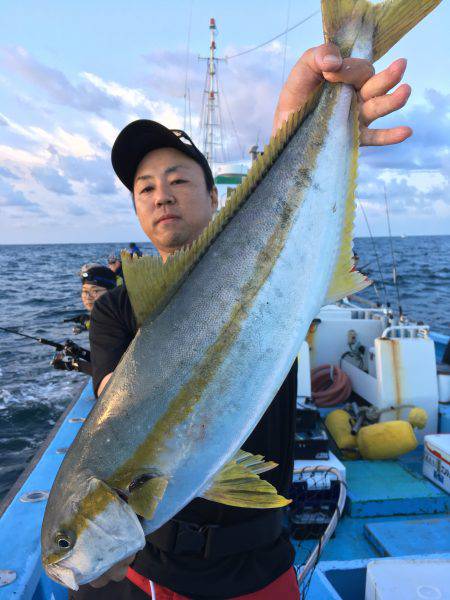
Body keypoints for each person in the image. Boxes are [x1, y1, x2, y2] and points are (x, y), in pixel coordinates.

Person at [74, 44, 412, 600]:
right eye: (145, 188)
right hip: (159, 567)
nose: (162, 195)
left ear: (215, 195)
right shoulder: (117, 309)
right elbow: (116, 401)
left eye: (179, 180)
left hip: (261, 561)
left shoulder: (277, 274)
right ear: (136, 210)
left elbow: (281, 227)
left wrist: (297, 127)